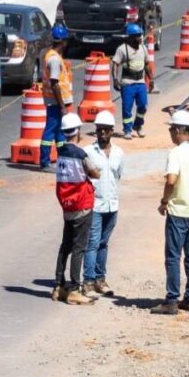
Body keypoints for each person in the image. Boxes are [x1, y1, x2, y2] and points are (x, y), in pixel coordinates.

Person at [153, 109, 189, 315]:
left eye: (171, 129)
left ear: (178, 130)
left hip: (178, 211)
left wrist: (164, 201)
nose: (170, 133)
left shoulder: (175, 153)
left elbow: (171, 180)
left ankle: (171, 300)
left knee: (173, 256)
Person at [52, 113, 100, 305]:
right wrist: (96, 172)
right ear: (77, 131)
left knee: (66, 246)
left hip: (67, 206)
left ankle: (58, 286)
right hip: (82, 205)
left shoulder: (60, 152)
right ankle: (74, 289)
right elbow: (94, 172)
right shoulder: (80, 154)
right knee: (79, 248)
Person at [82, 110, 124, 298]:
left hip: (112, 205)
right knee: (92, 243)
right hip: (95, 205)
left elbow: (118, 175)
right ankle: (88, 281)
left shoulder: (118, 153)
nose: (103, 133)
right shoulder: (88, 152)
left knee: (103, 243)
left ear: (112, 131)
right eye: (99, 129)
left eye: (106, 130)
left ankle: (100, 279)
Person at [40, 25, 73, 170]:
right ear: (63, 42)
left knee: (60, 132)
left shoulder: (54, 56)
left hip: (56, 102)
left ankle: (63, 158)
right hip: (55, 103)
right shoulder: (54, 59)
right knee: (51, 130)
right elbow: (54, 84)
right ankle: (45, 162)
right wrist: (62, 106)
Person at [112, 23, 151, 139]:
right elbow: (115, 65)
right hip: (127, 83)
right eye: (137, 36)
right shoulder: (122, 49)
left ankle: (138, 125)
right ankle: (127, 129)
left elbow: (147, 65)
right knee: (127, 108)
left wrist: (151, 79)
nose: (140, 38)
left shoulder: (143, 48)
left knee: (143, 105)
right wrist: (115, 79)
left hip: (140, 82)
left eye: (140, 35)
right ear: (131, 37)